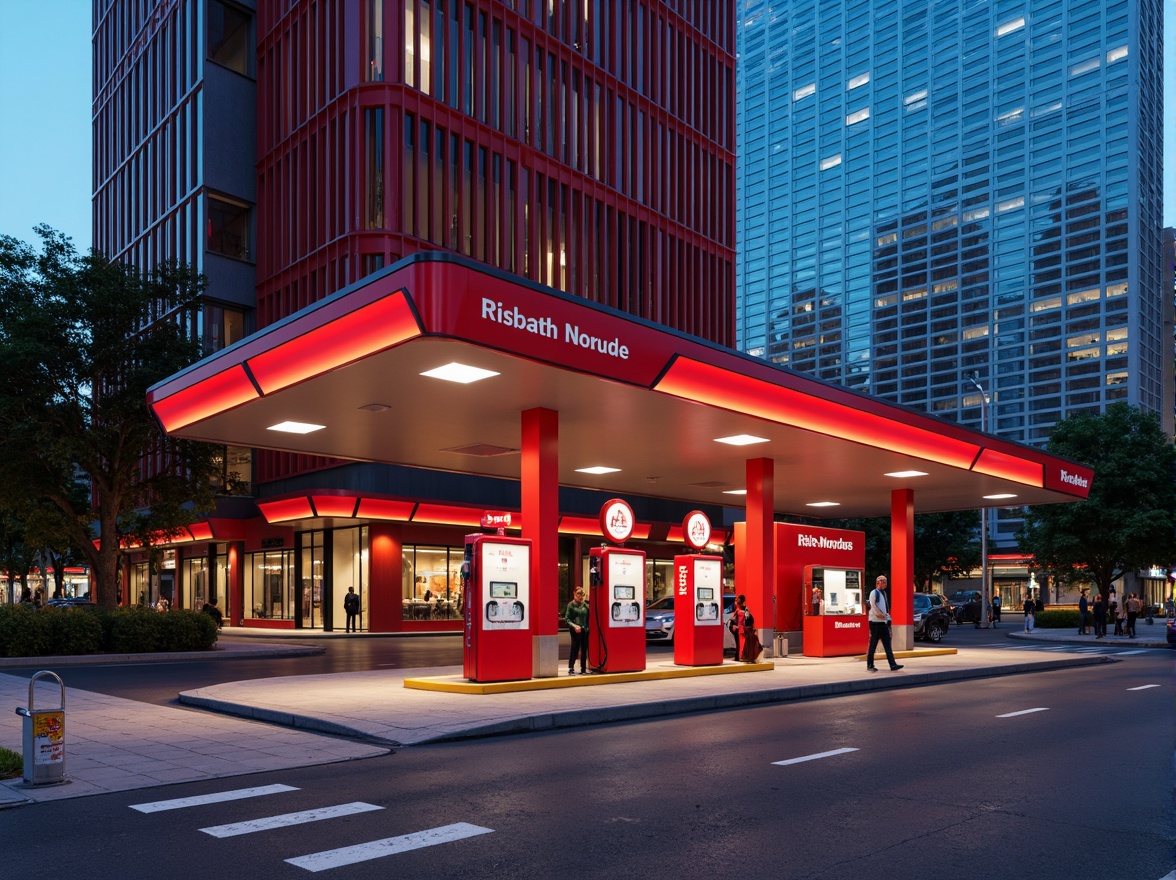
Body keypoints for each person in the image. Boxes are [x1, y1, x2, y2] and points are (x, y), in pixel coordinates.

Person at [865, 576, 902, 672]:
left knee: (887, 644)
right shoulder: (874, 593)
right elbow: (873, 606)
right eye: (883, 582)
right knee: (873, 644)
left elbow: (885, 607)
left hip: (883, 622)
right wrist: (881, 615)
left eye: (885, 581)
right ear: (878, 582)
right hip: (875, 623)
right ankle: (870, 665)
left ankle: (893, 664)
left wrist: (887, 618)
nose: (885, 583)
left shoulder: (883, 593)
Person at [564, 586, 590, 675]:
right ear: (574, 593)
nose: (580, 596)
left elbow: (589, 616)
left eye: (582, 594)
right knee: (575, 647)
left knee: (584, 648)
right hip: (575, 630)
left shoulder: (585, 605)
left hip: (584, 629)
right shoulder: (571, 605)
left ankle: (583, 668)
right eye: (578, 594)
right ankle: (571, 667)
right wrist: (574, 626)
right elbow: (567, 618)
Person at [737, 595, 762, 662]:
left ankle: (742, 656)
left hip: (741, 629)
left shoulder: (738, 610)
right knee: (746, 644)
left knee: (743, 644)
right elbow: (749, 619)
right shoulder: (745, 609)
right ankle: (745, 656)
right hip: (745, 629)